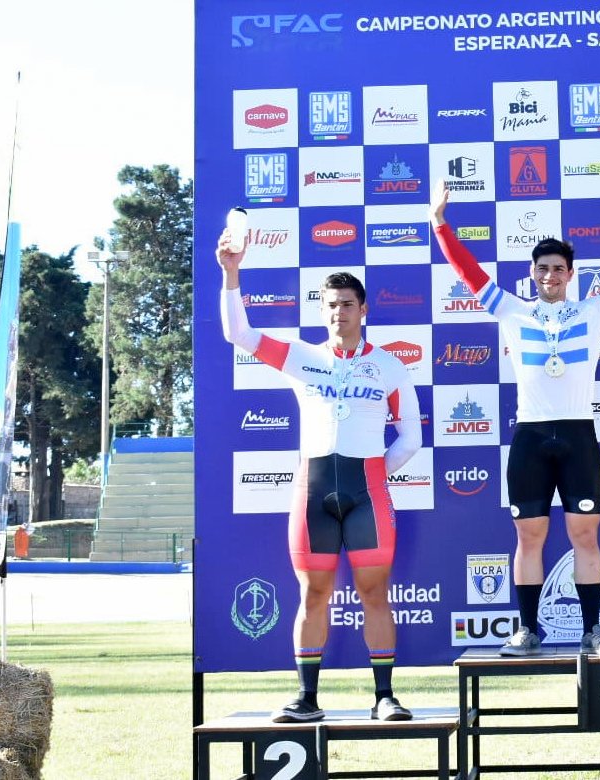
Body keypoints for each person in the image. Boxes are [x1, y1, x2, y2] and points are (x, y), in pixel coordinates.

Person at [430, 180, 600, 656]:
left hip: (578, 435)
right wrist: (440, 223)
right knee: (529, 536)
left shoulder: (595, 310)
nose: (550, 276)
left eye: (558, 269)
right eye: (542, 268)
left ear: (570, 274)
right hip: (530, 437)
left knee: (585, 535)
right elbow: (468, 273)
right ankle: (527, 630)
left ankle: (594, 631)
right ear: (532, 273)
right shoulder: (511, 310)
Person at [217, 232, 422, 723]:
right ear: (322, 310)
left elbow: (411, 438)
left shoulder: (389, 366)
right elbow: (238, 334)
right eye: (331, 305)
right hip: (312, 494)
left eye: (347, 304)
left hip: (367, 496)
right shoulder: (301, 357)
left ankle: (385, 697)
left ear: (363, 309)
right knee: (312, 595)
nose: (338, 313)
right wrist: (231, 273)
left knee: (375, 594)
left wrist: (375, 475)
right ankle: (306, 698)